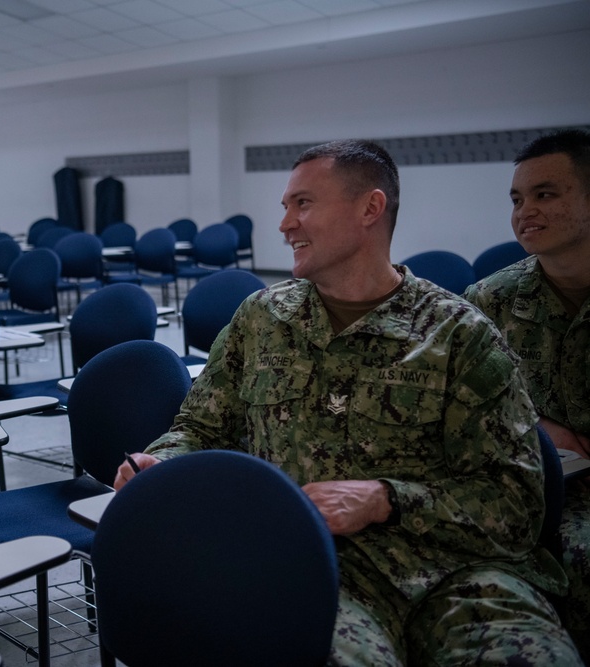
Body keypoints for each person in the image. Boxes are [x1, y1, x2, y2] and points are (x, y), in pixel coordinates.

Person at [114, 140, 580, 664]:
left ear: (370, 209)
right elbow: (200, 428)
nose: (285, 224)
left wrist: (385, 498)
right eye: (286, 207)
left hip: (461, 574)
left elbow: (517, 505)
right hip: (318, 567)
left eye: (304, 204)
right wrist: (162, 461)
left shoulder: (459, 333)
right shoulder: (262, 319)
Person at [464, 128, 590, 660]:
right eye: (517, 199)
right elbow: (462, 415)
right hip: (523, 488)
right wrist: (536, 429)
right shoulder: (489, 300)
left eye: (545, 194)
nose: (524, 212)